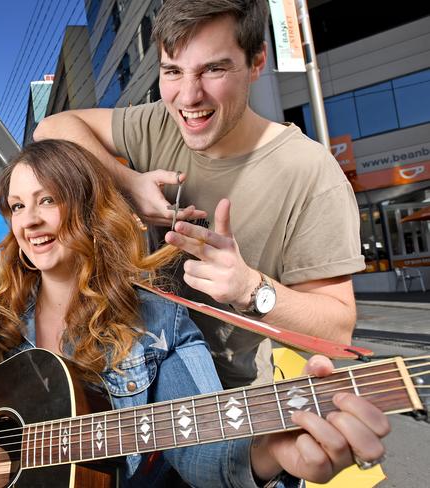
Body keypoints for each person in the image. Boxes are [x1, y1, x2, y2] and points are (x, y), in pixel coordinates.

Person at [0, 140, 388, 488]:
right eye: (18, 207)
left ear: (87, 205)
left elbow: (200, 453)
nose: (30, 222)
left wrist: (270, 454)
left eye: (48, 201)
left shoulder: (159, 322)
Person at [34, 0, 365, 388]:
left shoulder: (309, 172)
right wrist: (129, 182)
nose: (188, 98)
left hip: (224, 391)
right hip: (126, 374)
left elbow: (337, 331)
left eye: (214, 69)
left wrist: (249, 289)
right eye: (172, 71)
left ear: (257, 62)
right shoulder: (159, 121)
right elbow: (53, 126)